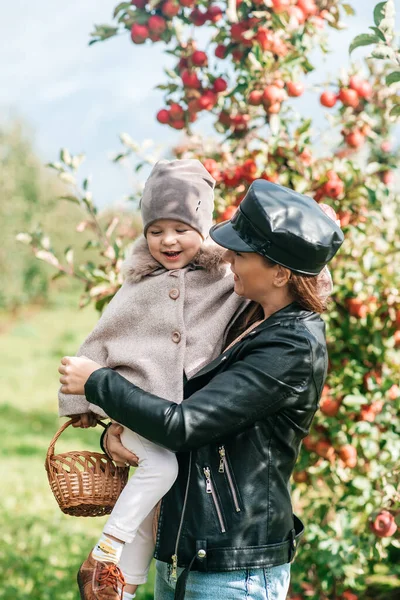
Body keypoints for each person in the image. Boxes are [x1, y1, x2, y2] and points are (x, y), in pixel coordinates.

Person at [59, 179, 344, 600]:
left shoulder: (290, 347)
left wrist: (97, 382)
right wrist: (115, 431)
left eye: (241, 254)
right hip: (183, 552)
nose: (227, 258)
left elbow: (185, 424)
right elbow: (174, 395)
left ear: (280, 272)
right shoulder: (250, 320)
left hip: (233, 569)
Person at [58, 158, 247, 600]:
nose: (168, 240)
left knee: (150, 511)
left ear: (204, 226)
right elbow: (96, 345)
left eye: (180, 228)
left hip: (182, 415)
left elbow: (293, 281)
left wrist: (306, 246)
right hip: (137, 407)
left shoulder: (223, 279)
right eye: (156, 230)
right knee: (161, 467)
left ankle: (117, 589)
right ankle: (104, 553)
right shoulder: (137, 289)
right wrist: (79, 406)